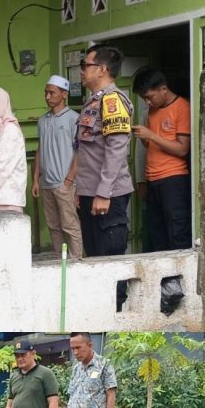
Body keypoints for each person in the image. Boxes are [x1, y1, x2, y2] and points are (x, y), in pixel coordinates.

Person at [75, 45, 134, 257]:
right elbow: (86, 151)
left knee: (109, 259)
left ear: (102, 69)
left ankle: (118, 293)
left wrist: (103, 192)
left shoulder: (112, 101)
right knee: (93, 259)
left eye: (85, 65)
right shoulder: (92, 101)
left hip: (107, 194)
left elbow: (116, 149)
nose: (81, 70)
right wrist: (80, 190)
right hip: (90, 192)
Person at [131, 69, 191, 251]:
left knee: (178, 232)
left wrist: (152, 135)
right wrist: (144, 137)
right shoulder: (152, 110)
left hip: (174, 179)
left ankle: (178, 277)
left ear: (163, 89)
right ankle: (163, 278)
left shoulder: (182, 107)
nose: (147, 102)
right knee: (157, 233)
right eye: (144, 98)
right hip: (153, 179)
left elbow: (182, 149)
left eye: (149, 97)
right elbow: (153, 146)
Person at [32, 75, 83, 258]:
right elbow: (40, 149)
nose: (47, 96)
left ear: (64, 94)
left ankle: (76, 263)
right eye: (46, 92)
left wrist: (69, 180)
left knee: (70, 226)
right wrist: (36, 179)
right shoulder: (43, 120)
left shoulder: (74, 119)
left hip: (64, 183)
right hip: (46, 184)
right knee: (54, 226)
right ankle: (60, 264)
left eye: (52, 92)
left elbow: (79, 152)